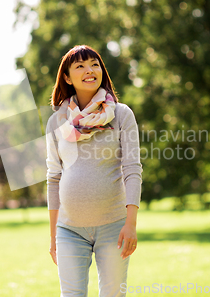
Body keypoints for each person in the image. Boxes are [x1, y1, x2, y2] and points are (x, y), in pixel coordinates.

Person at [45, 44, 143, 297]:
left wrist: (130, 224)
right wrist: (54, 234)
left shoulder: (121, 115)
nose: (89, 70)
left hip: (114, 226)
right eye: (80, 66)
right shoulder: (56, 121)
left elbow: (132, 169)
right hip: (69, 229)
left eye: (94, 64)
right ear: (67, 77)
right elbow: (54, 177)